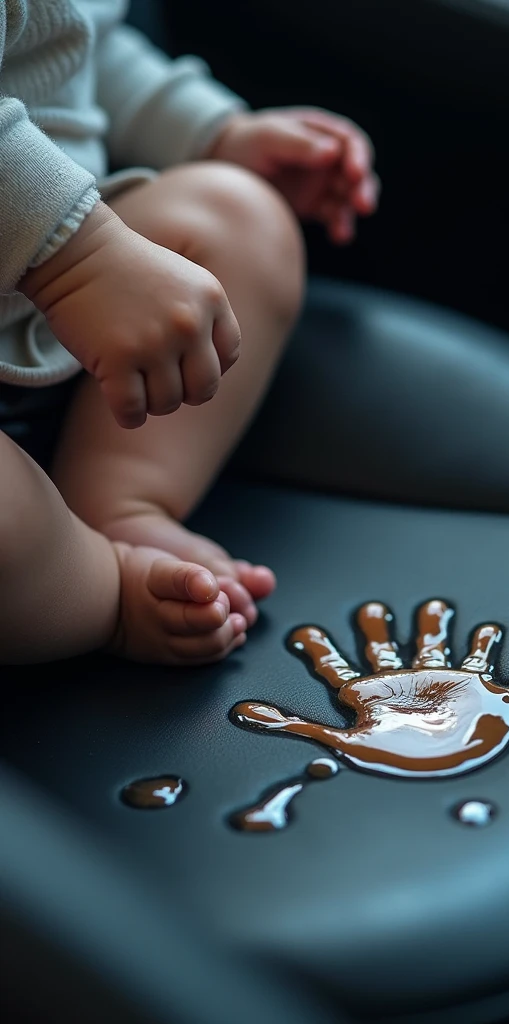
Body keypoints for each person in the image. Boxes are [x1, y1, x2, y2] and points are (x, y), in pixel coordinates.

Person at [0, 0, 379, 666]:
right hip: (65, 265)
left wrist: (212, 133)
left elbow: (69, 45)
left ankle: (123, 500)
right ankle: (99, 588)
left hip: (67, 311)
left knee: (239, 214)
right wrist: (77, 260)